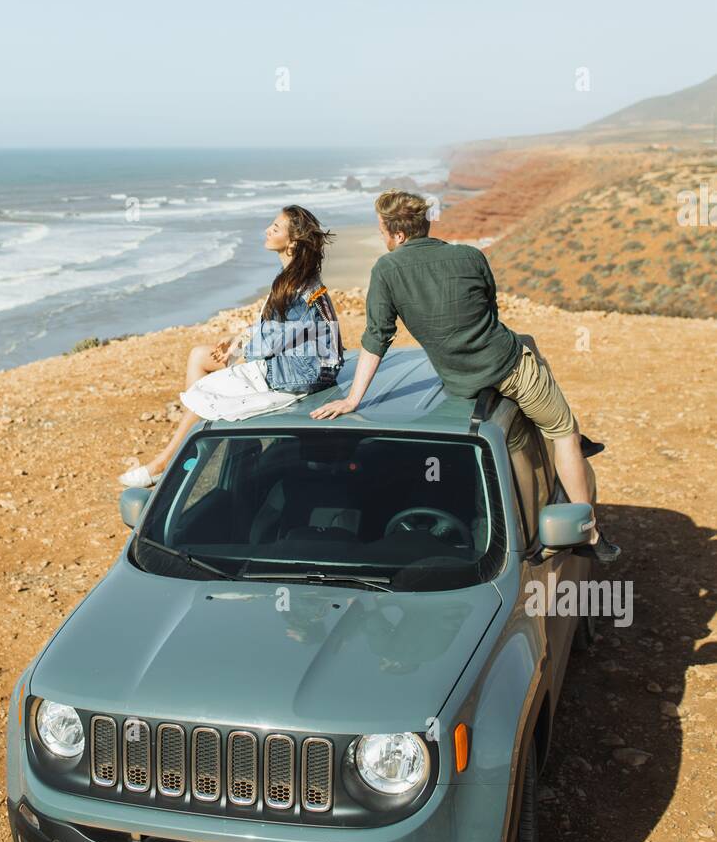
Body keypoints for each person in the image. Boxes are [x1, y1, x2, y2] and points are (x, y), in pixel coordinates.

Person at [309, 189, 621, 563]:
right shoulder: (470, 256)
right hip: (509, 368)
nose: (382, 237)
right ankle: (587, 532)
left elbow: (377, 336)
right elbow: (490, 309)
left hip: (461, 380)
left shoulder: (387, 270)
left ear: (397, 234)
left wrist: (353, 399)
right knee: (564, 432)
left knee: (528, 343)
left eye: (382, 230)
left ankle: (558, 444)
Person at [119, 205, 343, 486]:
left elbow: (273, 341)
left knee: (204, 389)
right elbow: (279, 333)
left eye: (275, 228)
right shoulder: (294, 278)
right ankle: (196, 444)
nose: (267, 230)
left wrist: (241, 348)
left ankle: (164, 462)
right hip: (297, 363)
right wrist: (238, 341)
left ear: (293, 243)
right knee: (200, 355)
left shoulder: (296, 286)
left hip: (298, 374)